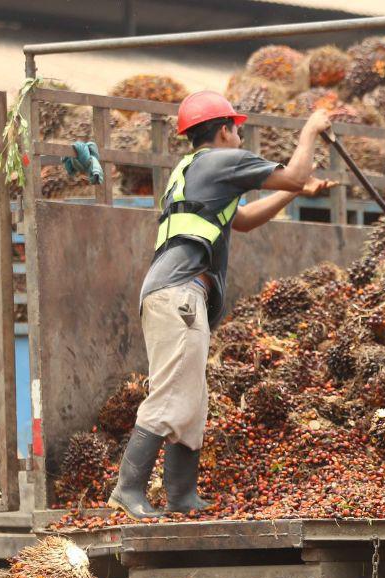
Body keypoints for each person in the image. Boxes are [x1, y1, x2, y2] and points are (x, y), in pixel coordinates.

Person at [110, 91, 334, 518]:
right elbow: (293, 172)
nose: (240, 136)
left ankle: (181, 494)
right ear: (224, 130)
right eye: (238, 129)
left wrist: (295, 189)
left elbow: (245, 220)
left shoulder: (193, 170)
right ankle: (129, 488)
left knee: (192, 399)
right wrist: (309, 132)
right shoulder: (220, 160)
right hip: (179, 295)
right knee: (173, 393)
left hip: (174, 295)